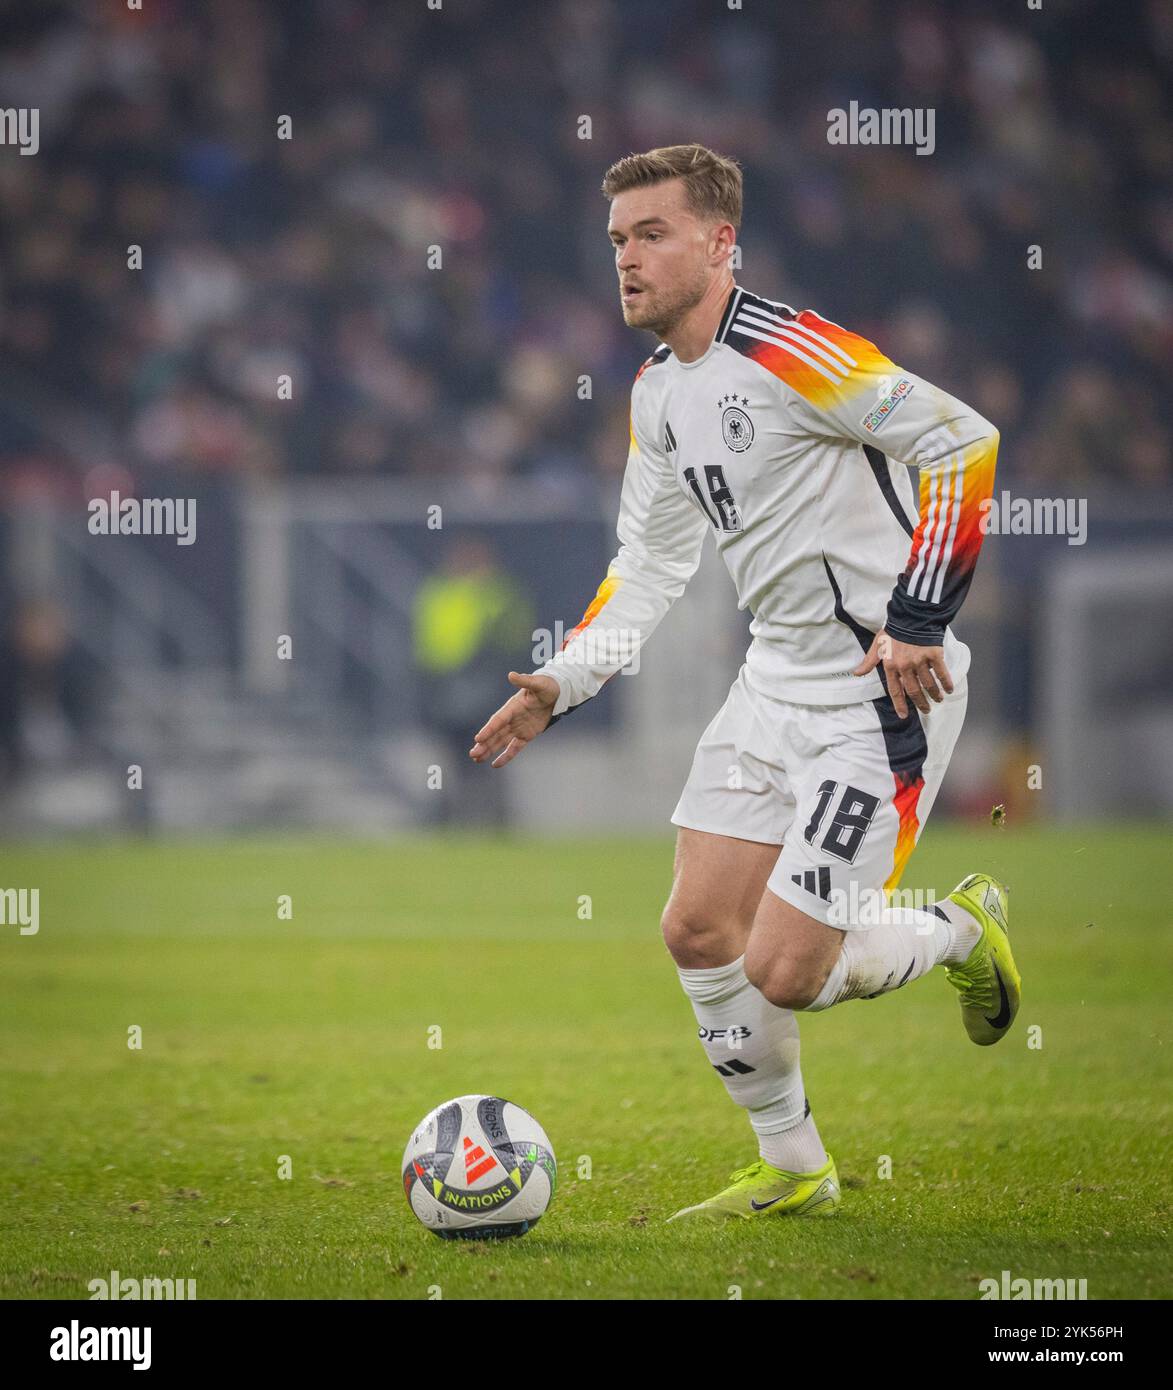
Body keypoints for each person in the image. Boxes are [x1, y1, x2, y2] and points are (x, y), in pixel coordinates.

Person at [469, 144, 1021, 1221]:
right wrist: (562, 682)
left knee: (787, 969)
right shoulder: (658, 392)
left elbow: (965, 443)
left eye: (653, 234)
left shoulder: (795, 350)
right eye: (619, 238)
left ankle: (960, 927)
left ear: (721, 243)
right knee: (696, 929)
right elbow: (652, 562)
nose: (626, 258)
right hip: (773, 683)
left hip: (881, 694)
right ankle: (796, 1165)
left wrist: (917, 618)